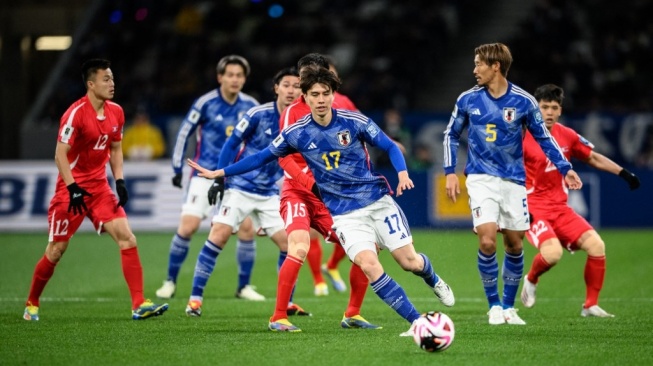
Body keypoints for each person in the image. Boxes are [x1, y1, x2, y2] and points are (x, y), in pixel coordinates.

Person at [188, 65, 455, 334]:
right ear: (305, 96)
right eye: (314, 94)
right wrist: (221, 172)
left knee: (409, 262)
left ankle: (432, 278)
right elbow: (261, 156)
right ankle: (418, 324)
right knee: (369, 263)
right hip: (345, 215)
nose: (320, 99)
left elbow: (387, 145)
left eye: (325, 93)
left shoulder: (354, 121)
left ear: (333, 94)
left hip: (377, 202)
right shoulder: (297, 131)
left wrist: (402, 172)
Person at [443, 43, 583, 326]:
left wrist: (565, 168)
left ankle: (509, 306)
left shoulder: (524, 102)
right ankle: (493, 305)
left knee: (515, 244)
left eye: (479, 63)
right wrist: (449, 172)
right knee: (486, 239)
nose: (474, 69)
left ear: (495, 66)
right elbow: (450, 135)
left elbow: (544, 138)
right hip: (481, 179)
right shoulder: (468, 99)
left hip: (513, 181)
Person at [22, 59, 168, 321]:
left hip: (100, 187)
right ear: (91, 84)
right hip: (71, 190)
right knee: (56, 249)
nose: (112, 84)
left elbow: (114, 148)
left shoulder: (117, 112)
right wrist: (73, 187)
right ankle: (32, 302)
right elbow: (60, 155)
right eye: (106, 79)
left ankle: (138, 304)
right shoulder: (75, 114)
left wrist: (120, 180)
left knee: (127, 237)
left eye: (112, 78)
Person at [185, 67, 300, 316]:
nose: (292, 90)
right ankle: (195, 299)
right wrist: (220, 179)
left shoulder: (300, 121)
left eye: (297, 86)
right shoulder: (257, 114)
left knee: (290, 245)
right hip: (240, 187)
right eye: (287, 85)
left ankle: (288, 303)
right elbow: (231, 143)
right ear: (276, 88)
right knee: (220, 235)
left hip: (269, 192)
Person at [520, 84, 640, 317]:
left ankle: (590, 305)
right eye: (544, 107)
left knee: (597, 246)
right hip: (534, 209)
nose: (550, 112)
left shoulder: (567, 135)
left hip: (561, 208)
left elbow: (592, 157)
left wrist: (623, 173)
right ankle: (531, 279)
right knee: (553, 254)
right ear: (536, 109)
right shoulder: (522, 135)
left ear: (560, 111)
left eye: (554, 107)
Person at [159, 55, 263, 301]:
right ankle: (170, 281)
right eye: (230, 75)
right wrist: (176, 168)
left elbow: (259, 143)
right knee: (188, 227)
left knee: (247, 230)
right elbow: (185, 133)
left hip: (234, 178)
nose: (235, 79)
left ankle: (244, 286)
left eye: (240, 75)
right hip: (203, 175)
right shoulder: (205, 103)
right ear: (220, 77)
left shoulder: (251, 104)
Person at [277, 53, 367, 321]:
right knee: (300, 246)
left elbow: (357, 143)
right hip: (299, 192)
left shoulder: (339, 108)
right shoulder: (293, 112)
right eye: (304, 77)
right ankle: (279, 316)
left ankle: (353, 314)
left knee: (366, 248)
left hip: (330, 195)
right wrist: (312, 184)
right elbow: (285, 156)